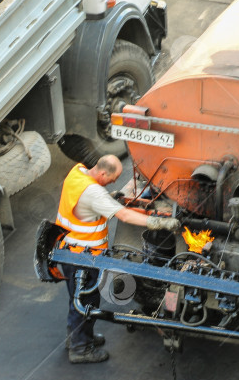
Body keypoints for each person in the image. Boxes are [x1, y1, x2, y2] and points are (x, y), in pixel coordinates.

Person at [56, 155, 179, 364]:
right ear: (103, 173)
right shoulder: (93, 193)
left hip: (67, 251)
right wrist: (157, 222)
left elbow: (91, 196)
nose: (115, 181)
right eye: (114, 178)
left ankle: (77, 337)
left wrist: (109, 195)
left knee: (77, 298)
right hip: (83, 257)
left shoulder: (77, 172)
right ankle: (80, 349)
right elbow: (125, 216)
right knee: (86, 300)